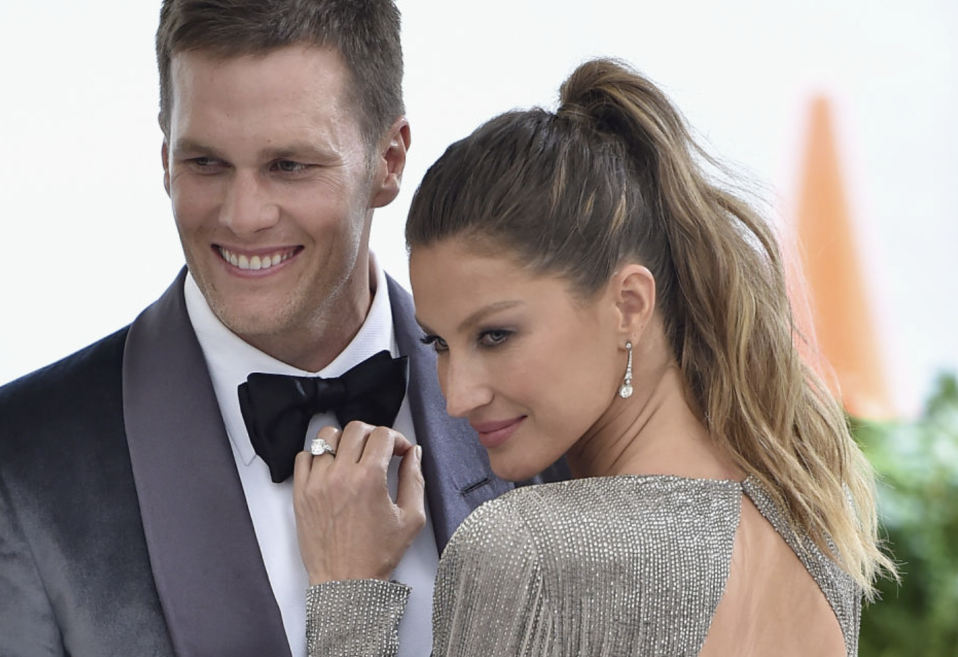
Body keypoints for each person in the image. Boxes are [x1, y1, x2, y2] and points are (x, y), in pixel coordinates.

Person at [0, 0, 544, 657]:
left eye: (289, 166)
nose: (243, 216)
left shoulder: (543, 410)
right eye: (206, 163)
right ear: (163, 154)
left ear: (389, 160)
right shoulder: (16, 468)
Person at [293, 57, 896, 656]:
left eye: (496, 335)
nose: (457, 396)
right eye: (439, 344)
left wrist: (349, 594)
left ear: (629, 304)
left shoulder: (526, 550)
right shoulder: (810, 526)